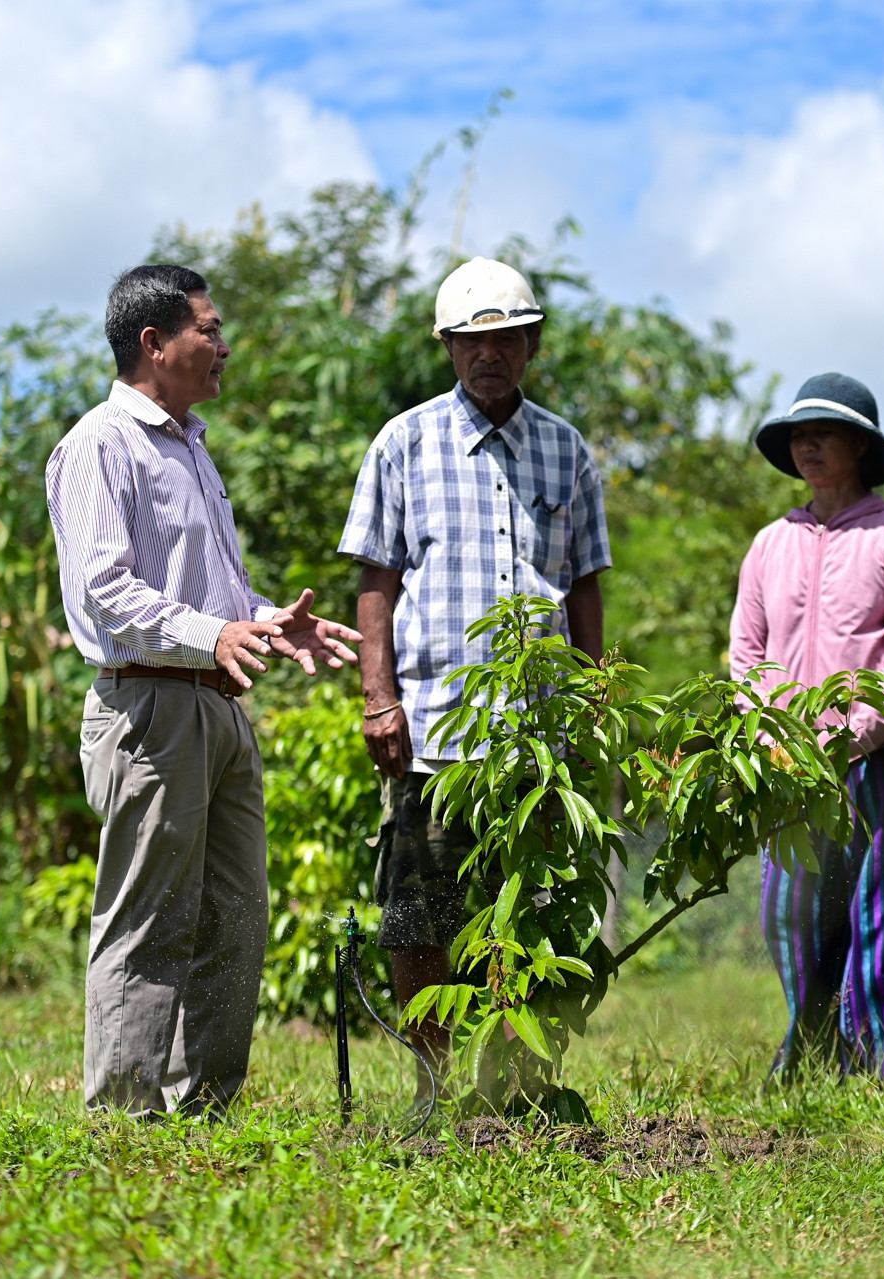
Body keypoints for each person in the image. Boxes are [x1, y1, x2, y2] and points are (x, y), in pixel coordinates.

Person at [47, 264, 362, 1117]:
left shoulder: (191, 443)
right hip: (148, 703)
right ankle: (123, 1117)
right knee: (149, 917)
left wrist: (262, 621)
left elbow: (210, 591)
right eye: (209, 330)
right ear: (154, 343)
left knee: (234, 913)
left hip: (218, 705)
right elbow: (107, 589)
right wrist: (211, 634)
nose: (223, 347)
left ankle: (204, 1109)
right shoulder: (100, 444)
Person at [339, 257, 611, 1100]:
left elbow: (586, 582)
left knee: (530, 908)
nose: (485, 355)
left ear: (530, 344)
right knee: (422, 911)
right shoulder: (404, 443)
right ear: (448, 349)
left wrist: (595, 699)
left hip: (538, 735)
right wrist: (378, 699)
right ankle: (432, 1080)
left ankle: (519, 1080)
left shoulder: (565, 450)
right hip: (435, 726)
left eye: (502, 339)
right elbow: (376, 581)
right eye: (468, 341)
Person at [733, 372, 884, 1080]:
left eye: (823, 432)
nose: (808, 444)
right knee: (788, 907)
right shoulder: (769, 543)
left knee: (880, 905)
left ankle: (877, 1056)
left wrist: (858, 730)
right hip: (790, 759)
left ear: (860, 445)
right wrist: (773, 736)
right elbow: (746, 653)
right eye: (797, 434)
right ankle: (811, 1044)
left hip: (883, 753)